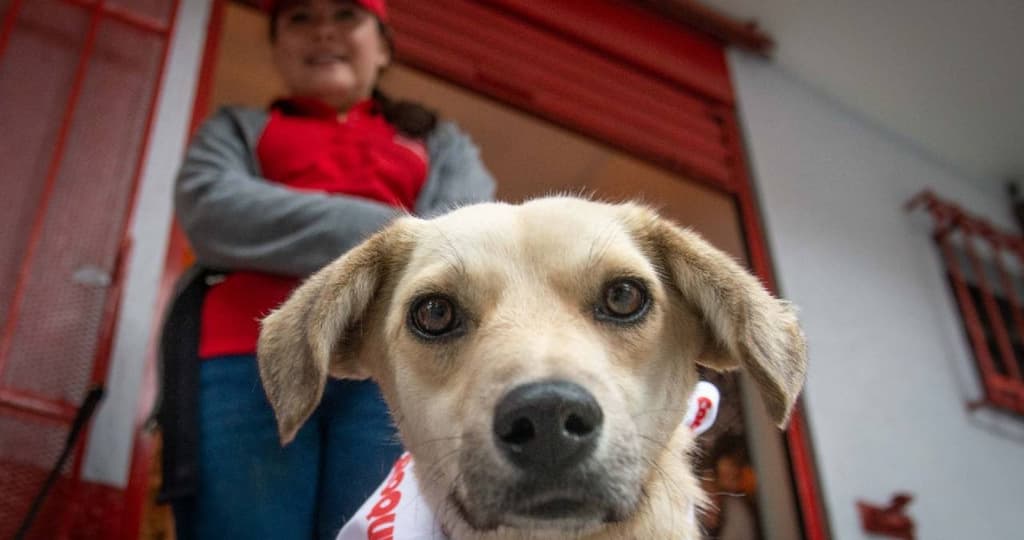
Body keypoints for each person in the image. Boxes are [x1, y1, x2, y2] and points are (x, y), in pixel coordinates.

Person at [157, 1, 496, 538]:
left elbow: (465, 241)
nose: (322, 31)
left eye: (345, 15)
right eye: (299, 18)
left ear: (383, 45)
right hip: (243, 362)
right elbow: (211, 210)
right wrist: (399, 233)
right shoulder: (239, 128)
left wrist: (289, 222)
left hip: (393, 369)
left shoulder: (440, 143)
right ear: (276, 47)